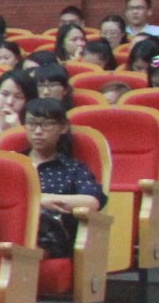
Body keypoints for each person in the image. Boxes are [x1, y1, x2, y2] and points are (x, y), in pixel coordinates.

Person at [23, 98, 106, 262]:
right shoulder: (13, 163)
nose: (38, 131)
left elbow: (91, 201)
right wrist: (36, 200)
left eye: (46, 124)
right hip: (16, 228)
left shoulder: (72, 168)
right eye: (31, 123)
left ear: (63, 127)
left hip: (52, 236)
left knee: (43, 219)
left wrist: (45, 199)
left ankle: (24, 258)